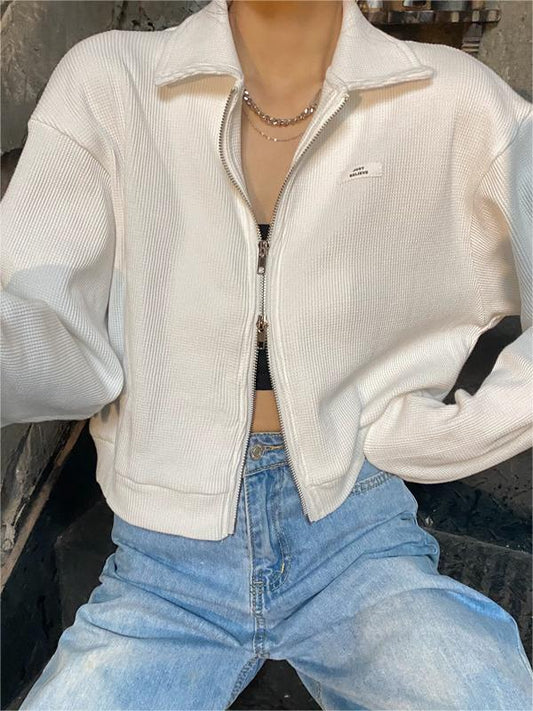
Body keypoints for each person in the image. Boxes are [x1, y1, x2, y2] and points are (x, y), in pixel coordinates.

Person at [3, 0, 532, 708]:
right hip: (164, 556)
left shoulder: (452, 97)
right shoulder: (111, 79)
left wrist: (456, 432)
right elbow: (46, 321)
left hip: (355, 534)